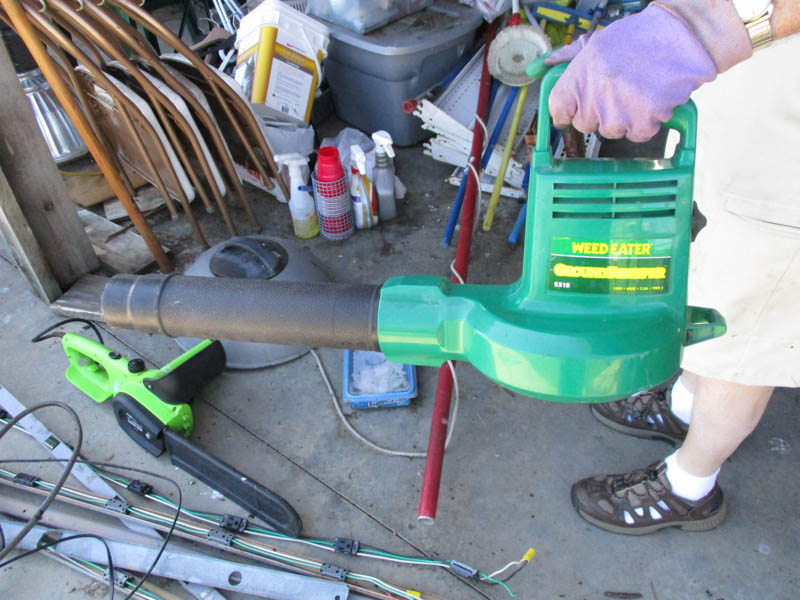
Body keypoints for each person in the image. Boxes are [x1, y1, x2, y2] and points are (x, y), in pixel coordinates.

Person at [543, 0, 800, 534]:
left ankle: (690, 487)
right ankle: (684, 405)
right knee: (718, 262)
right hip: (748, 77)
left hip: (786, 136)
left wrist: (700, 26)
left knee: (745, 327)